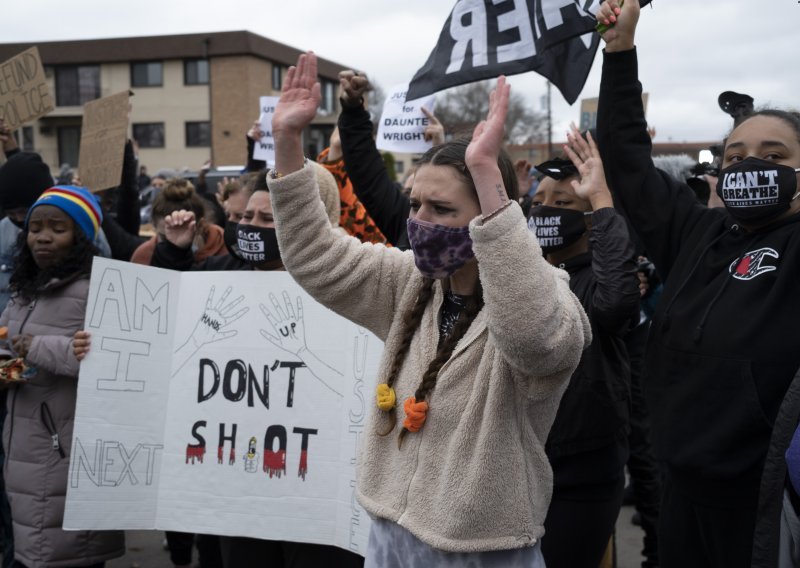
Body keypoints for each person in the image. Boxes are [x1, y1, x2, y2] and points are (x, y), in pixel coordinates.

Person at [267, 51, 590, 566]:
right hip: (391, 532)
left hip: (481, 547)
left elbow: (537, 342)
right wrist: (286, 142)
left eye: (442, 210)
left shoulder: (547, 295)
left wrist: (488, 177)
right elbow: (316, 257)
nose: (420, 221)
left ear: (488, 216)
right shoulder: (407, 281)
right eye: (416, 204)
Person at [595, 1, 800, 565]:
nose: (749, 165)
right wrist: (619, 52)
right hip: (681, 484)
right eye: (735, 157)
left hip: (764, 501)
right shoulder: (695, 232)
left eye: (773, 155)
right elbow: (628, 163)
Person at [528, 137, 639, 567]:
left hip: (584, 469)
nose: (545, 209)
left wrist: (602, 198)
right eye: (537, 200)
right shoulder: (522, 278)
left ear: (592, 219)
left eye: (563, 202)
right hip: (522, 460)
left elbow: (615, 304)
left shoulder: (598, 279)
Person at [0, 185, 125, 568]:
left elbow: (106, 362)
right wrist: (10, 369)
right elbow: (12, 353)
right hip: (24, 451)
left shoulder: (98, 291)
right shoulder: (25, 291)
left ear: (81, 238)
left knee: (64, 555)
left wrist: (34, 347)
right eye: (36, 227)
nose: (43, 236)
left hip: (67, 454)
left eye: (57, 228)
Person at [130, 178, 227, 265]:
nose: (174, 243)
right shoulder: (144, 256)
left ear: (201, 225)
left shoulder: (224, 250)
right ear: (154, 226)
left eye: (185, 234)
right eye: (164, 238)